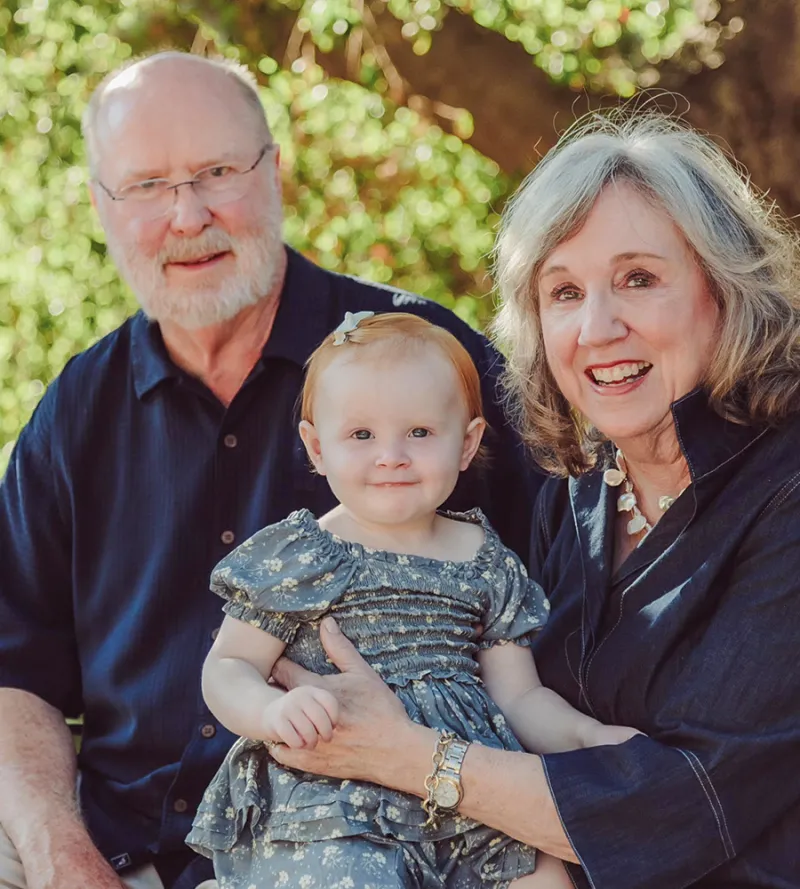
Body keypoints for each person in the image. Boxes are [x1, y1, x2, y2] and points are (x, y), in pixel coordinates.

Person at [0, 53, 537, 889]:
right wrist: (62, 858)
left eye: (216, 171)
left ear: (272, 170)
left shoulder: (426, 363)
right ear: (102, 208)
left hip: (377, 849)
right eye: (146, 186)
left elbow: (552, 612)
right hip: (112, 850)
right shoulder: (79, 407)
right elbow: (13, 664)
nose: (187, 215)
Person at [259, 111, 800, 889]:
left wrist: (402, 753)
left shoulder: (783, 491)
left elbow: (684, 805)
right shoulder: (576, 496)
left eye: (638, 279)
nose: (597, 326)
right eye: (564, 292)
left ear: (725, 289)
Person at [186, 312, 637, 888]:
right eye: (361, 435)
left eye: (420, 433)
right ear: (317, 448)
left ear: (467, 442)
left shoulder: (486, 560)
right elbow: (228, 666)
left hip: (469, 793)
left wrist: (588, 739)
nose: (391, 455)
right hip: (337, 803)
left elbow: (520, 698)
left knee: (548, 874)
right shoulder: (303, 552)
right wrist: (269, 711)